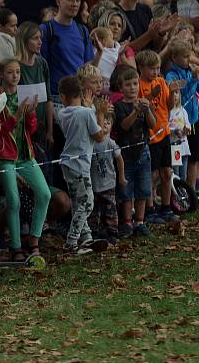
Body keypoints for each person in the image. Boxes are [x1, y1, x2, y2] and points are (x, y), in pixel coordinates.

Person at [0, 59, 51, 259]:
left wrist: (31, 113)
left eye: (18, 72)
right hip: (6, 156)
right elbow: (0, 131)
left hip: (25, 154)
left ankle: (34, 239)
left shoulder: (23, 94)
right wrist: (18, 114)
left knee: (44, 194)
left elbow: (32, 129)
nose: (15, 76)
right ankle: (15, 246)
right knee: (13, 200)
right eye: (10, 72)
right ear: (1, 74)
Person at [57, 75, 108, 254]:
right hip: (80, 165)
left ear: (63, 97)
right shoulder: (86, 113)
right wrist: (100, 114)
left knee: (78, 202)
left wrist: (89, 108)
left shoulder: (62, 113)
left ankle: (86, 238)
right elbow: (99, 136)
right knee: (87, 204)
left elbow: (79, 116)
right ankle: (71, 242)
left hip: (67, 163)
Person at [136, 49, 182, 225]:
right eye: (151, 68)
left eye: (157, 68)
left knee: (167, 171)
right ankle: (149, 208)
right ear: (141, 67)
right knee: (151, 174)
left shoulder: (161, 82)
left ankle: (166, 207)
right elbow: (140, 106)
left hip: (164, 133)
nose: (155, 72)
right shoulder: (139, 84)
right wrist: (151, 95)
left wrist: (172, 91)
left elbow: (169, 106)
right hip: (150, 135)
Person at [164, 38, 199, 192]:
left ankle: (191, 192)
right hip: (178, 126)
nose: (188, 59)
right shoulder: (171, 75)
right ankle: (179, 192)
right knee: (178, 161)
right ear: (174, 58)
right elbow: (182, 95)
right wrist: (192, 79)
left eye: (189, 55)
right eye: (185, 56)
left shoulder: (190, 71)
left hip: (193, 121)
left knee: (193, 158)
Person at [113, 67, 157, 238]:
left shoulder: (144, 102)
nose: (132, 88)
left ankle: (140, 222)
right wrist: (136, 111)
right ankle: (126, 223)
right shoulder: (119, 106)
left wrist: (146, 110)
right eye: (128, 84)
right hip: (125, 155)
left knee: (143, 189)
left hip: (143, 153)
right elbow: (124, 125)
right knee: (126, 191)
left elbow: (153, 124)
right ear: (121, 87)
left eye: (134, 84)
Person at [40, 0, 95, 99]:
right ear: (58, 1)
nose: (75, 4)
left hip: (79, 97)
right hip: (56, 96)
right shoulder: (45, 30)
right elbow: (40, 67)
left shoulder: (83, 30)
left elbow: (88, 65)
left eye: (78, 0)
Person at [15, 22, 54, 176]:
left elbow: (49, 99)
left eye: (41, 38)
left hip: (42, 129)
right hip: (22, 130)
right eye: (35, 38)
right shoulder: (15, 66)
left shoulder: (42, 63)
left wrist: (50, 131)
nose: (40, 42)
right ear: (24, 40)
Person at [89, 112, 125, 244]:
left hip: (109, 183)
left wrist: (121, 177)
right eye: (102, 122)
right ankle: (94, 232)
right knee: (94, 209)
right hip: (94, 183)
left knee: (111, 208)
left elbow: (119, 160)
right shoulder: (91, 143)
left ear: (111, 127)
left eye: (108, 123)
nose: (105, 124)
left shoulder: (111, 143)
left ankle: (112, 232)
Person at [168, 88, 191, 181]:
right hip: (174, 147)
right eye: (172, 93)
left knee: (183, 174)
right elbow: (165, 128)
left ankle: (184, 192)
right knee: (176, 173)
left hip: (184, 146)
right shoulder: (167, 111)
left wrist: (187, 129)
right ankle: (176, 193)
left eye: (177, 92)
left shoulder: (183, 110)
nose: (175, 95)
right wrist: (174, 131)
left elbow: (188, 124)